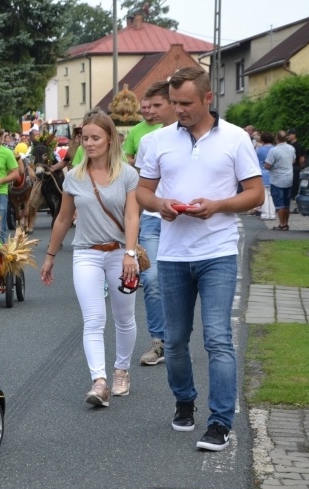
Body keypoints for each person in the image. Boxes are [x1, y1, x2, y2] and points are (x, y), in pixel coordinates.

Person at [136, 67, 264, 451]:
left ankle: (221, 423)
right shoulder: (157, 141)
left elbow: (255, 194)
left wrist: (219, 205)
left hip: (218, 253)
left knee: (217, 339)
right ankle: (184, 401)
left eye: (186, 103)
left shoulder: (236, 138)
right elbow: (142, 192)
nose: (178, 110)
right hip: (173, 254)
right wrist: (160, 204)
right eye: (173, 103)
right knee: (173, 341)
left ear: (208, 99)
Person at [41, 110, 140, 408]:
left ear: (110, 139)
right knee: (94, 319)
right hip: (87, 253)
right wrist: (50, 256)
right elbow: (63, 218)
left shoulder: (127, 174)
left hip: (121, 252)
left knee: (124, 317)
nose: (90, 143)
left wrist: (131, 254)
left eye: (96, 138)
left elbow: (132, 215)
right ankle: (100, 381)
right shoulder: (74, 176)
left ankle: (121, 369)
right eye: (86, 138)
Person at [132, 80, 176, 366]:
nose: (152, 111)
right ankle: (159, 341)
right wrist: (131, 228)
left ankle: (179, 339)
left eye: (158, 105)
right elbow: (139, 187)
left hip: (186, 221)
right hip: (152, 219)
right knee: (151, 278)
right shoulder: (148, 141)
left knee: (181, 282)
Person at [264, 130, 297, 231]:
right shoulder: (291, 148)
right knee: (286, 203)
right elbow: (293, 160)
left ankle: (281, 224)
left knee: (279, 203)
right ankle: (286, 223)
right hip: (288, 178)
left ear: (276, 138)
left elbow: (267, 165)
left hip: (277, 179)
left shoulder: (274, 150)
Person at [122, 98, 160, 166]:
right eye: (143, 108)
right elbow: (127, 157)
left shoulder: (164, 125)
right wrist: (138, 162)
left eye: (149, 107)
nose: (146, 110)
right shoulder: (134, 130)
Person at [256, 132, 276, 220]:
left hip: (262, 173)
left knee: (264, 194)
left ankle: (265, 213)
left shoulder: (259, 150)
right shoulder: (275, 149)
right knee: (271, 195)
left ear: (262, 140)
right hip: (273, 173)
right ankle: (272, 213)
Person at [287, 128, 307, 204]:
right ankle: (291, 197)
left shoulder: (298, 146)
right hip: (290, 167)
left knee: (295, 184)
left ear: (294, 135)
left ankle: (294, 198)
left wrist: (301, 167)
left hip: (296, 167)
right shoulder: (289, 146)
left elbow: (301, 159)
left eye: (289, 134)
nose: (288, 136)